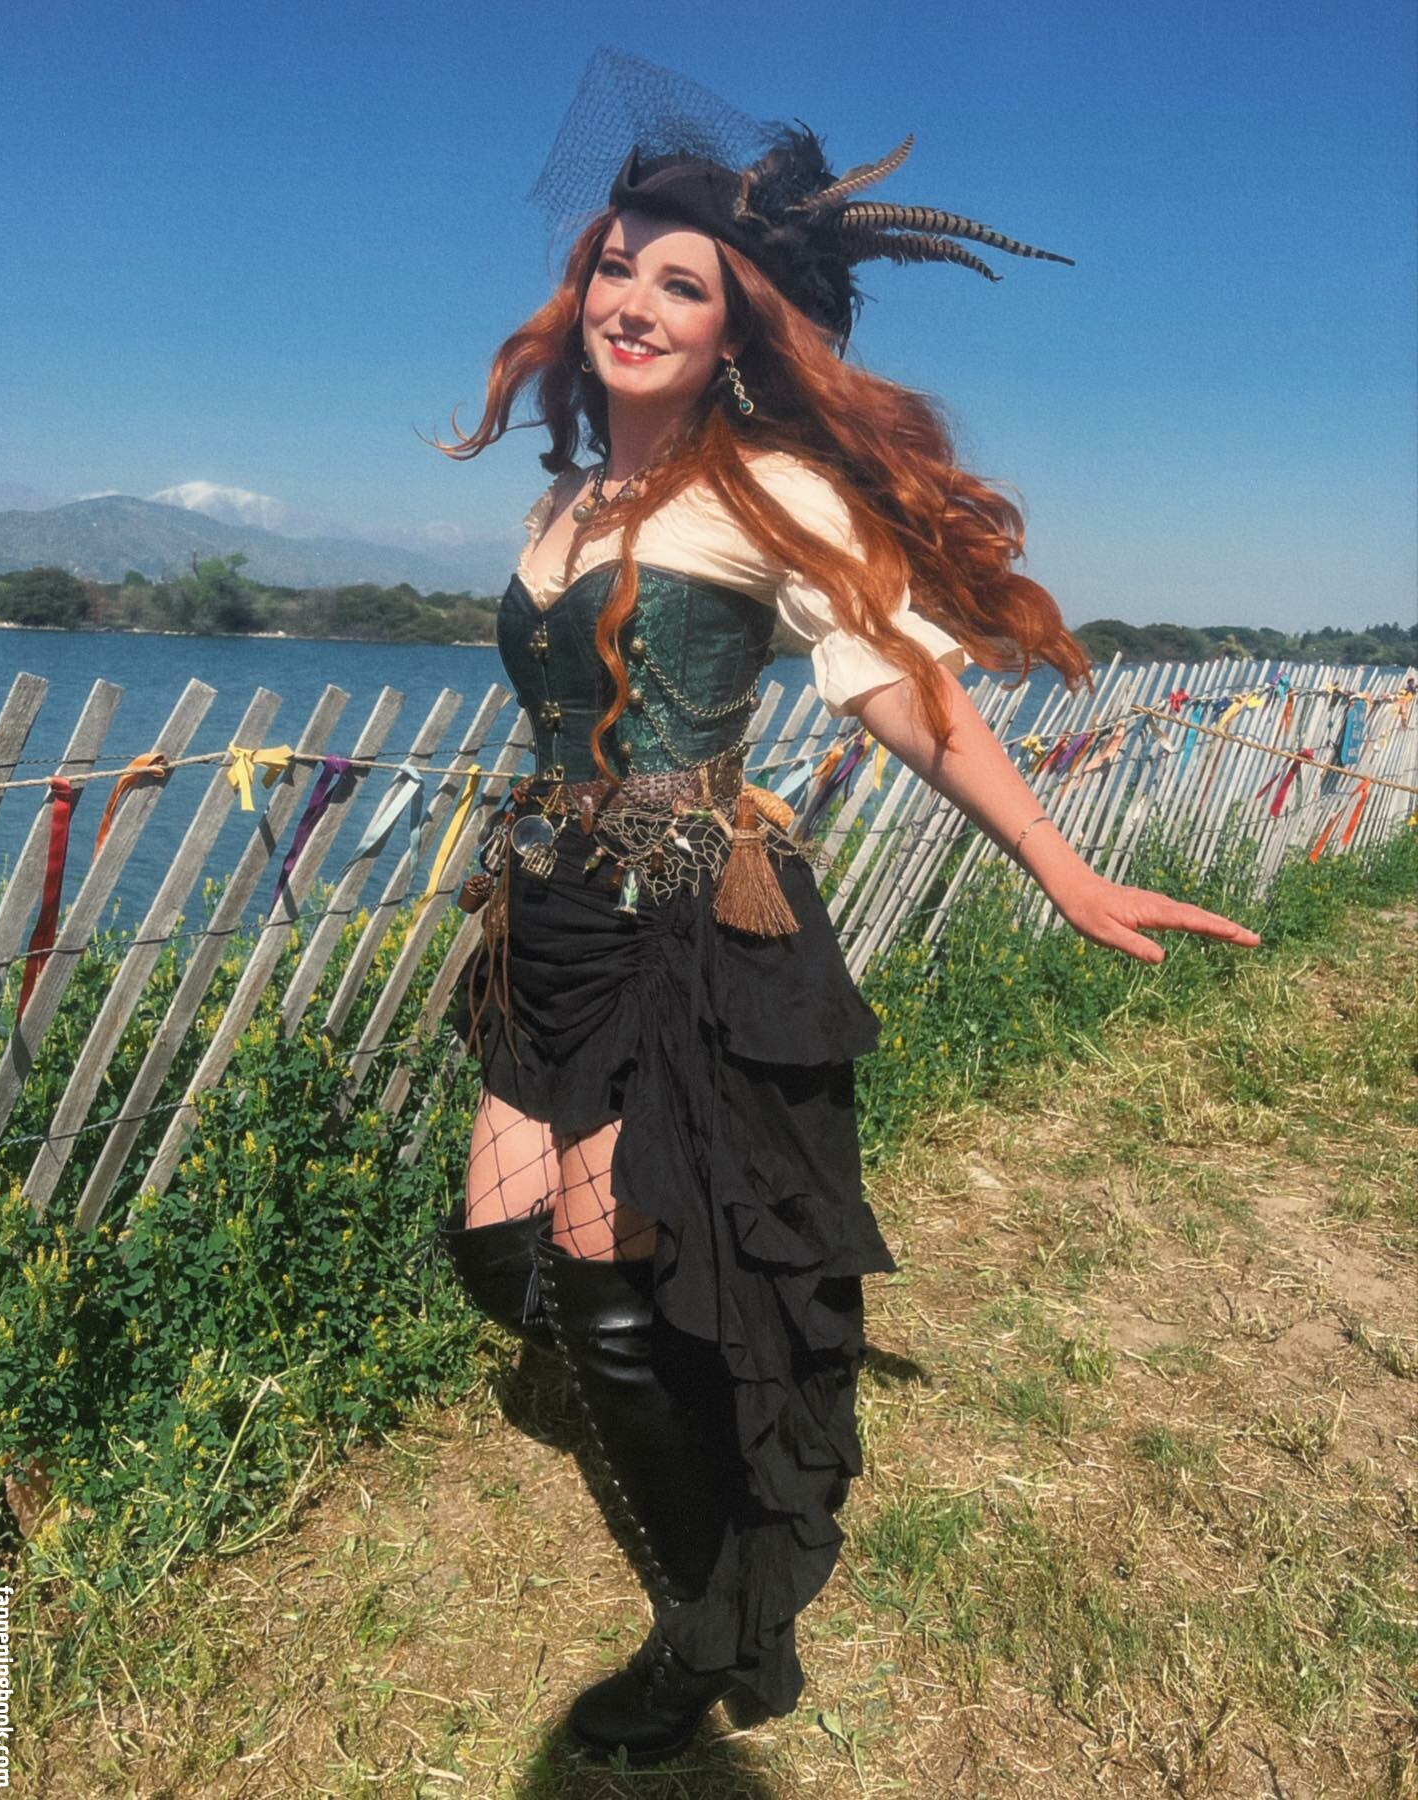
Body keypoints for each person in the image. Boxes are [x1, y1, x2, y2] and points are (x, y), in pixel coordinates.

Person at [432, 52, 1262, 1767]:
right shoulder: (561, 500)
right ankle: (700, 1420)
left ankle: (708, 1623)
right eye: (618, 268)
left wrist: (1057, 861)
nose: (635, 302)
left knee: (595, 1281)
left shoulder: (770, 491)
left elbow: (908, 690)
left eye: (685, 285)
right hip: (547, 917)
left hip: (680, 926)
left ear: (738, 332)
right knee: (504, 1255)